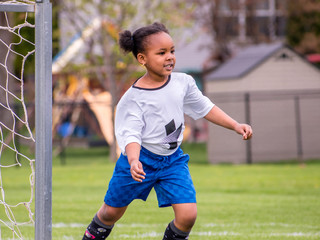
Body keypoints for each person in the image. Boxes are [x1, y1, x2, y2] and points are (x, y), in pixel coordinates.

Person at [82, 22, 253, 240]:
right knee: (110, 213)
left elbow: (205, 107)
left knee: (188, 215)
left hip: (172, 161)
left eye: (172, 51)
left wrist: (236, 125)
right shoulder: (133, 99)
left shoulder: (183, 82)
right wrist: (134, 160)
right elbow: (131, 135)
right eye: (161, 53)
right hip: (140, 161)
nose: (169, 57)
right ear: (142, 58)